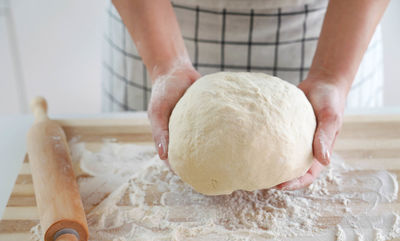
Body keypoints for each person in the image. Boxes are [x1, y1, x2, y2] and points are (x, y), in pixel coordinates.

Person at [104, 0, 389, 190]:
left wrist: (331, 76)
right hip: (154, 24)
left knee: (315, 131)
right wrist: (166, 66)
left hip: (333, 28)